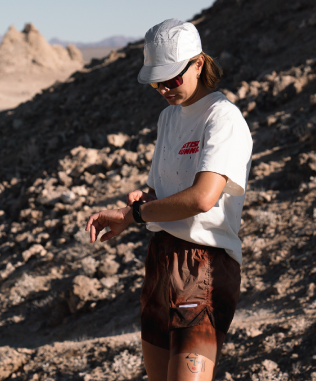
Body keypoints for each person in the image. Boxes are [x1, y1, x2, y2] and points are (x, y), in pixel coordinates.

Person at [85, 18, 253, 381]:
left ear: (198, 63)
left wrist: (134, 215)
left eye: (171, 79)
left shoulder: (223, 118)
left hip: (204, 264)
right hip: (161, 258)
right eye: (156, 82)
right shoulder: (168, 118)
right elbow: (164, 193)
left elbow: (202, 198)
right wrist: (145, 200)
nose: (163, 89)